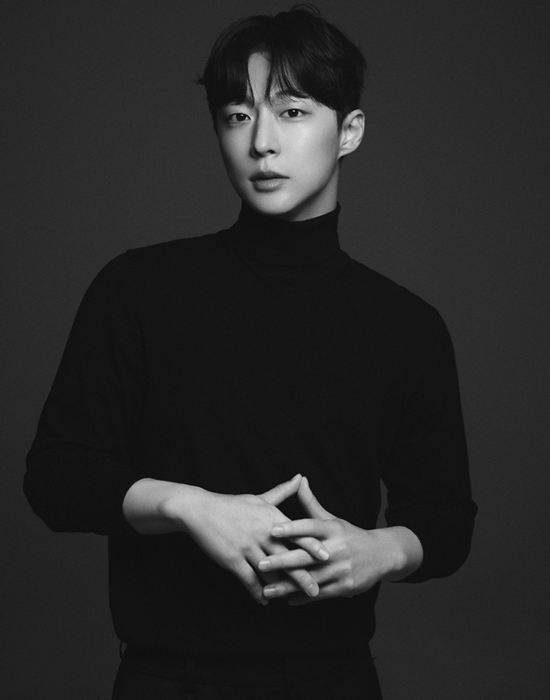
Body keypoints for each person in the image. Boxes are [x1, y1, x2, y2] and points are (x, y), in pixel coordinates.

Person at [23, 3, 478, 698]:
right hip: (165, 680)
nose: (262, 142)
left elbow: (446, 521)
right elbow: (56, 476)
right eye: (237, 115)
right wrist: (189, 507)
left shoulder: (406, 325)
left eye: (292, 112)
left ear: (349, 131)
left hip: (333, 681)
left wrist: (382, 550)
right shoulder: (138, 289)